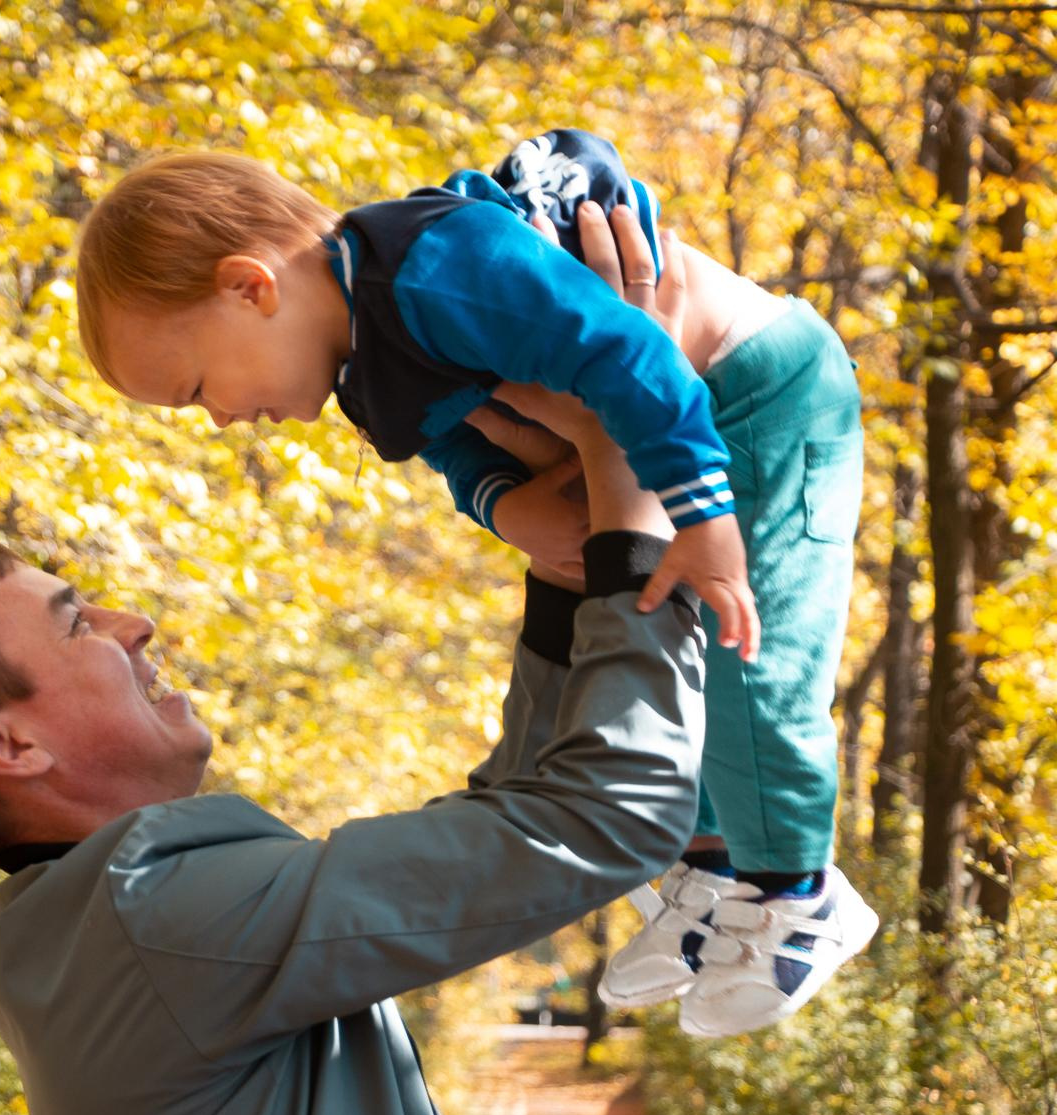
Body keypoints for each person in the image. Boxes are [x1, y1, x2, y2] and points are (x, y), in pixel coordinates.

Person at [0, 228, 704, 1115]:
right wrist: (631, 485)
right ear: (8, 747)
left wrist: (561, 564)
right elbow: (609, 816)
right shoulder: (151, 924)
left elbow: (517, 827)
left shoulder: (118, 933)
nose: (129, 622)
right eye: (74, 622)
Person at [71, 130, 877, 1038]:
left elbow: (627, 351)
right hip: (670, 420)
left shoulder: (437, 265)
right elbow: (453, 439)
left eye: (196, 389)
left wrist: (706, 517)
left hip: (754, 389)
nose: (219, 419)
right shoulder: (366, 374)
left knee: (748, 654)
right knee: (668, 644)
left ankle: (799, 894)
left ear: (250, 286)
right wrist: (507, 507)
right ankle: (714, 869)